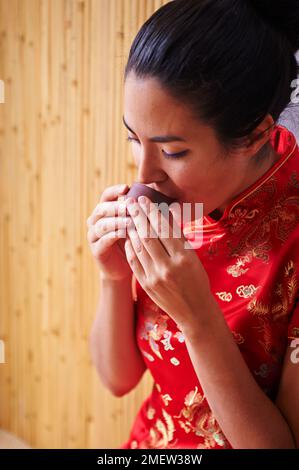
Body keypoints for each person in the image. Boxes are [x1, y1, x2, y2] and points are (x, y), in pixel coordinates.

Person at [87, 0, 299, 449]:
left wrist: (198, 318)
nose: (144, 175)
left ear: (255, 136)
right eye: (133, 138)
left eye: (173, 152)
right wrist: (113, 276)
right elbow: (118, 380)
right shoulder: (176, 205)